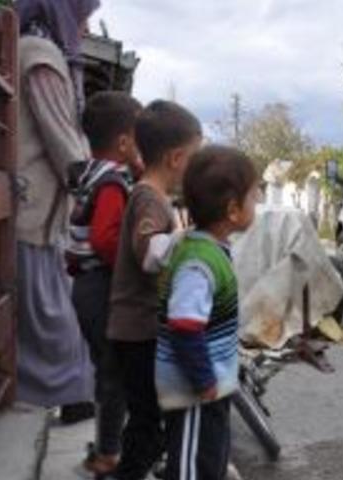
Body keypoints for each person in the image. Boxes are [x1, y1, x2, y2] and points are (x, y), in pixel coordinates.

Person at [14, 0, 99, 422]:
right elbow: (62, 136)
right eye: (82, 16)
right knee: (50, 315)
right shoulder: (42, 56)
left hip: (32, 208)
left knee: (47, 312)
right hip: (33, 213)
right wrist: (92, 176)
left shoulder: (26, 48)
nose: (84, 28)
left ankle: (70, 393)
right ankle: (72, 397)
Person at [107, 100, 202, 480]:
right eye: (196, 157)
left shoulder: (153, 195)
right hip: (138, 331)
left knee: (149, 416)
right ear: (177, 158)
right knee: (147, 421)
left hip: (139, 329)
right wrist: (188, 238)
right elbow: (148, 254)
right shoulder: (148, 196)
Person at [157, 146, 259, 480]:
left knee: (211, 456)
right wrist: (203, 380)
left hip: (210, 384)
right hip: (195, 390)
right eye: (253, 199)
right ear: (232, 209)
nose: (255, 205)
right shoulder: (198, 261)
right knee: (190, 466)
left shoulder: (210, 249)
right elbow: (185, 326)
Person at [67, 91, 143, 477]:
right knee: (113, 373)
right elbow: (104, 238)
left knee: (109, 371)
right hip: (100, 286)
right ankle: (109, 453)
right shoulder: (112, 183)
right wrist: (131, 267)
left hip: (88, 286)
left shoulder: (94, 173)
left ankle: (107, 444)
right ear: (125, 142)